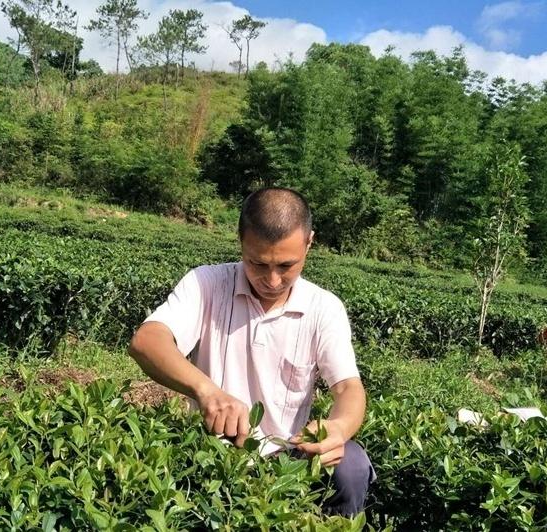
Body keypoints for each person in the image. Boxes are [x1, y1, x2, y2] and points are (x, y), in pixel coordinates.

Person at [129, 187, 374, 516]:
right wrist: (207, 391)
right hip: (217, 450)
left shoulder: (323, 308)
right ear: (241, 240)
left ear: (309, 242)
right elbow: (148, 341)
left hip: (292, 456)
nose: (272, 280)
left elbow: (348, 387)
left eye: (286, 266)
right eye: (257, 263)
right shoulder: (207, 284)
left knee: (352, 464)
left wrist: (339, 428)